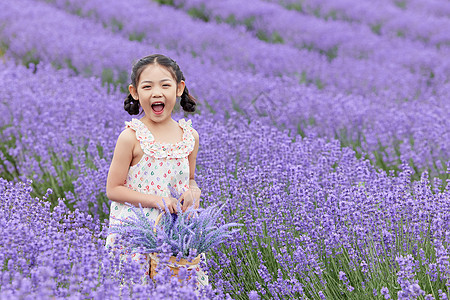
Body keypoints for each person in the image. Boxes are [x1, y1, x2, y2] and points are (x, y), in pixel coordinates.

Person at [105, 54, 208, 286]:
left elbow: (190, 179)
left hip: (175, 235)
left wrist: (194, 192)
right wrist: (157, 200)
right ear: (135, 92)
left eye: (165, 85)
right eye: (147, 86)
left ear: (179, 88)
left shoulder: (189, 137)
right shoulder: (131, 137)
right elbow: (113, 189)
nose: (157, 92)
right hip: (134, 236)